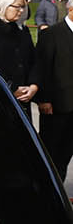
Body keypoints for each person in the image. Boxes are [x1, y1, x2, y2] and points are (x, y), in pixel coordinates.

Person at [34, 13, 73, 183]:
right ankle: (46, 192)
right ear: (70, 9)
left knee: (65, 154)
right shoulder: (51, 34)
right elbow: (42, 68)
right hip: (56, 106)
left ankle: (59, 194)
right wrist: (43, 99)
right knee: (51, 153)